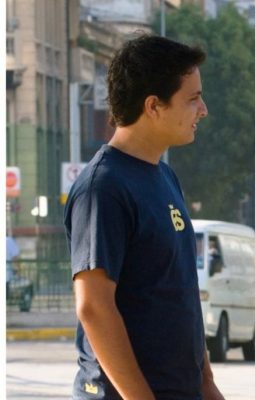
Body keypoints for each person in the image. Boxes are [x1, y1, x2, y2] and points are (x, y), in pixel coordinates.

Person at [64, 35, 223, 400]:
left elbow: (178, 290)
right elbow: (93, 306)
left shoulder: (166, 177)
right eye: (193, 98)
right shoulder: (103, 187)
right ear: (153, 106)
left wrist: (206, 382)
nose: (204, 110)